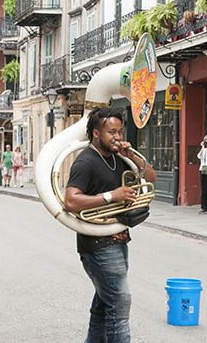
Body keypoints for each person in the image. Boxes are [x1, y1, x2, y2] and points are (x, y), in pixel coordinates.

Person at [64, 107, 156, 343]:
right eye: (111, 132)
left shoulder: (119, 158)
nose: (117, 137)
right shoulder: (85, 161)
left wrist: (133, 156)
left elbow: (151, 178)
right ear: (96, 133)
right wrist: (111, 196)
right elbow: (71, 200)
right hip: (97, 244)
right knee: (119, 305)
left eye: (119, 131)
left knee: (104, 305)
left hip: (118, 239)